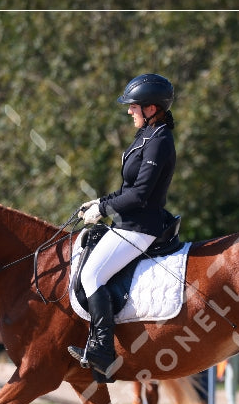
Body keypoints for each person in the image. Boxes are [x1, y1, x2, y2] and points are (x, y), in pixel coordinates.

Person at [67, 73, 177, 380]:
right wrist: (99, 202)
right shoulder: (146, 135)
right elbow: (127, 187)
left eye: (134, 106)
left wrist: (103, 208)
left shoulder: (160, 141)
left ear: (152, 108)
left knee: (90, 275)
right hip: (126, 222)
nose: (129, 111)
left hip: (140, 227)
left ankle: (103, 349)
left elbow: (141, 195)